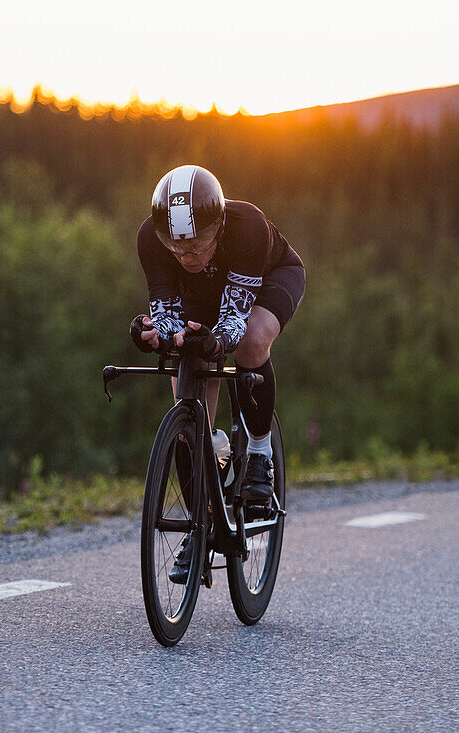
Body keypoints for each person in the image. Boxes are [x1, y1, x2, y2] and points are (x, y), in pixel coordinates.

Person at [130, 164, 305, 582]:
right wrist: (152, 334)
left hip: (267, 282)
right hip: (204, 299)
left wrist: (213, 341)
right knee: (187, 396)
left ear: (219, 227)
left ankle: (260, 454)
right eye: (176, 247)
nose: (186, 256)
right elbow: (167, 314)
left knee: (250, 341)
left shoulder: (247, 227)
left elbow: (233, 321)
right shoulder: (150, 242)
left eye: (197, 244)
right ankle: (201, 523)